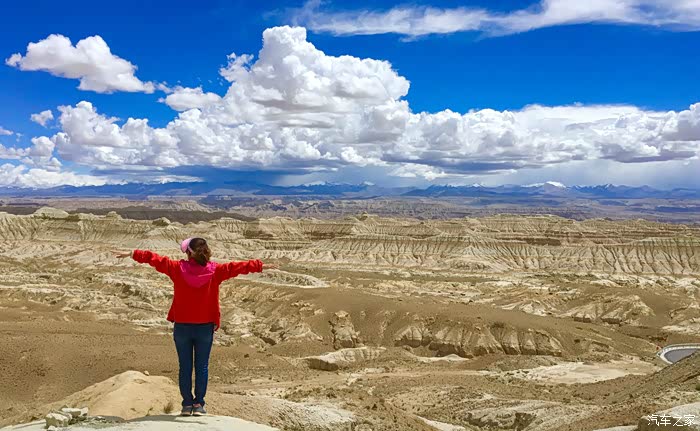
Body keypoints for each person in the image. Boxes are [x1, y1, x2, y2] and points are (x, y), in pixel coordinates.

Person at [114, 238, 277, 417]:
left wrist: (132, 253)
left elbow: (155, 259)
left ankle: (186, 405)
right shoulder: (216, 271)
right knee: (202, 367)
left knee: (184, 367)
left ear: (188, 253)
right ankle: (199, 404)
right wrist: (260, 266)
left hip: (182, 327)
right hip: (204, 328)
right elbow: (237, 267)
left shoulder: (177, 268)